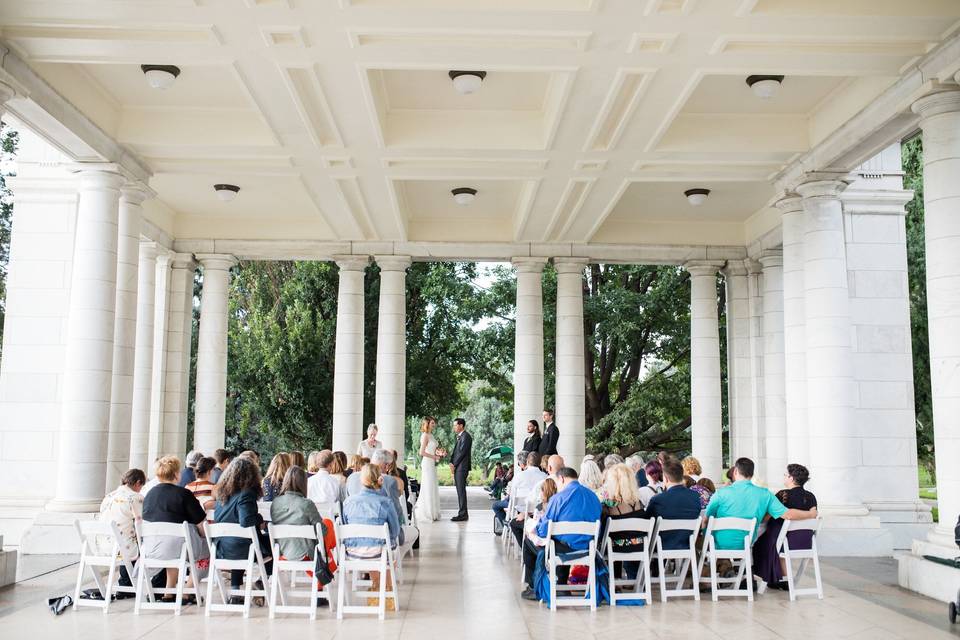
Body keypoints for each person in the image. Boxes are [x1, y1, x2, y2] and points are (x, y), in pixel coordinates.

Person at [705, 457, 817, 554]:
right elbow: (787, 514)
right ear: (752, 474)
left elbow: (706, 520)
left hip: (717, 544)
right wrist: (811, 514)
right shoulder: (765, 494)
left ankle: (719, 567)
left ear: (735, 472)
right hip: (746, 543)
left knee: (700, 538)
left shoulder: (721, 493)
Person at [521, 467, 601, 601]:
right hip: (588, 548)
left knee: (529, 541)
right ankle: (562, 583)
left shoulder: (558, 499)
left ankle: (535, 586)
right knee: (563, 540)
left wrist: (536, 527)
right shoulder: (593, 496)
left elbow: (543, 531)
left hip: (563, 548)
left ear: (562, 479)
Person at [141, 456, 207, 602]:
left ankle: (169, 592)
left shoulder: (149, 495)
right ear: (177, 474)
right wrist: (204, 538)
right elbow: (202, 525)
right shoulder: (183, 494)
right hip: (177, 547)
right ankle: (187, 590)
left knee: (176, 546)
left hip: (151, 548)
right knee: (208, 551)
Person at [341, 464, 401, 608]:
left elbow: (345, 525)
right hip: (379, 553)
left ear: (361, 480)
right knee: (388, 548)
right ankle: (385, 591)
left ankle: (376, 586)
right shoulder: (385, 502)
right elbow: (395, 532)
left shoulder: (348, 502)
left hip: (352, 554)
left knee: (374, 546)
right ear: (380, 479)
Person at [213, 456, 272, 598]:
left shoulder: (222, 494)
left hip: (221, 548)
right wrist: (260, 519)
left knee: (240, 539)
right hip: (243, 548)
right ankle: (261, 582)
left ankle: (236, 590)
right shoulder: (246, 494)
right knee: (277, 544)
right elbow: (245, 520)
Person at [752, 464, 818, 589]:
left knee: (757, 542)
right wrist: (809, 514)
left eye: (785, 475)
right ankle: (777, 578)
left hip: (783, 540)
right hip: (805, 541)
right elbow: (813, 514)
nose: (783, 477)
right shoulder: (811, 497)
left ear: (791, 478)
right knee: (773, 538)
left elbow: (768, 516)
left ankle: (766, 577)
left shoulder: (783, 495)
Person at [270, 466, 337, 578]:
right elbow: (322, 532)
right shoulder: (306, 504)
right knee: (328, 523)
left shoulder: (275, 503)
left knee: (324, 529)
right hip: (306, 553)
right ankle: (326, 562)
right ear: (303, 483)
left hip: (283, 551)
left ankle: (326, 557)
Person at [97, 468, 147, 589]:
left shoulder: (108, 496)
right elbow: (142, 522)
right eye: (141, 486)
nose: (141, 489)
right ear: (138, 483)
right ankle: (155, 587)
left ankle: (126, 583)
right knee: (150, 543)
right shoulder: (135, 497)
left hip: (103, 546)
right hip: (123, 548)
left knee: (126, 535)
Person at [600, 463, 646, 579]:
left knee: (606, 541)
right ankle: (634, 579)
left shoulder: (608, 506)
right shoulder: (639, 504)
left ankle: (613, 580)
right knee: (629, 539)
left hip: (615, 548)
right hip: (640, 545)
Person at [644, 459, 702, 550]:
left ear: (666, 478)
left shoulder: (657, 500)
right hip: (687, 545)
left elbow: (647, 523)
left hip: (662, 546)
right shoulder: (695, 497)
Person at [493, 452, 546, 533]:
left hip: (520, 507)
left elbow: (512, 495)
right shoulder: (545, 477)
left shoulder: (519, 475)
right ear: (540, 463)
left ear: (527, 462)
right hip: (538, 509)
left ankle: (507, 525)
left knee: (495, 505)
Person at [512, 477, 558, 549]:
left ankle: (527, 548)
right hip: (553, 533)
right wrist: (526, 514)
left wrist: (526, 518)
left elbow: (537, 525)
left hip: (542, 534)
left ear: (544, 492)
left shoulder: (543, 504)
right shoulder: (556, 503)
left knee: (514, 523)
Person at [415, 416, 442, 523]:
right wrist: (434, 457)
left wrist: (439, 453)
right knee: (428, 486)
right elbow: (421, 452)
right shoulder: (425, 435)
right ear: (427, 424)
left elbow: (431, 449)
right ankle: (427, 513)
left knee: (432, 486)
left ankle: (434, 512)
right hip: (427, 463)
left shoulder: (431, 435)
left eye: (434, 423)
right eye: (432, 423)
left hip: (432, 463)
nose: (434, 424)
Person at [449, 417, 473, 522]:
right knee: (460, 491)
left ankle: (463, 514)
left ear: (461, 425)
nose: (454, 427)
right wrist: (451, 461)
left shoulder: (466, 436)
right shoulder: (460, 437)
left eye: (455, 425)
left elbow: (462, 452)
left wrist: (454, 464)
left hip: (461, 468)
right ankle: (462, 513)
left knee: (461, 491)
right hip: (458, 467)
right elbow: (456, 452)